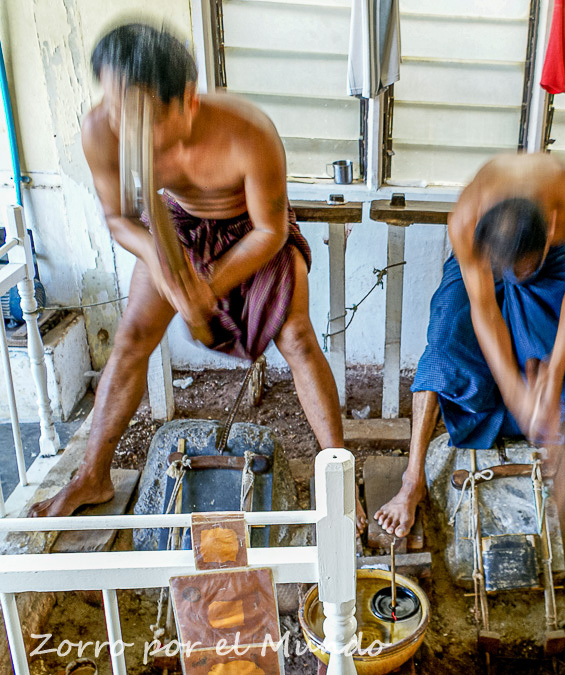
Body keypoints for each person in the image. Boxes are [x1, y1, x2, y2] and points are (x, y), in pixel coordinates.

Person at [28, 22, 365, 534]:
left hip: (252, 228)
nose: (126, 129)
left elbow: (272, 230)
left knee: (296, 337)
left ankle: (338, 480)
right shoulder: (103, 129)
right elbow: (120, 219)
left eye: (142, 117)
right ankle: (92, 475)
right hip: (178, 227)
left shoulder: (247, 132)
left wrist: (207, 286)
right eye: (117, 109)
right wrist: (171, 271)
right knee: (132, 336)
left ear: (185, 100)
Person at [375, 153, 565, 538]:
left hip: (554, 268)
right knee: (443, 352)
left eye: (521, 269)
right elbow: (485, 309)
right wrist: (517, 395)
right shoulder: (466, 219)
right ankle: (413, 481)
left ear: (551, 230)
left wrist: (556, 370)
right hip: (481, 263)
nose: (514, 278)